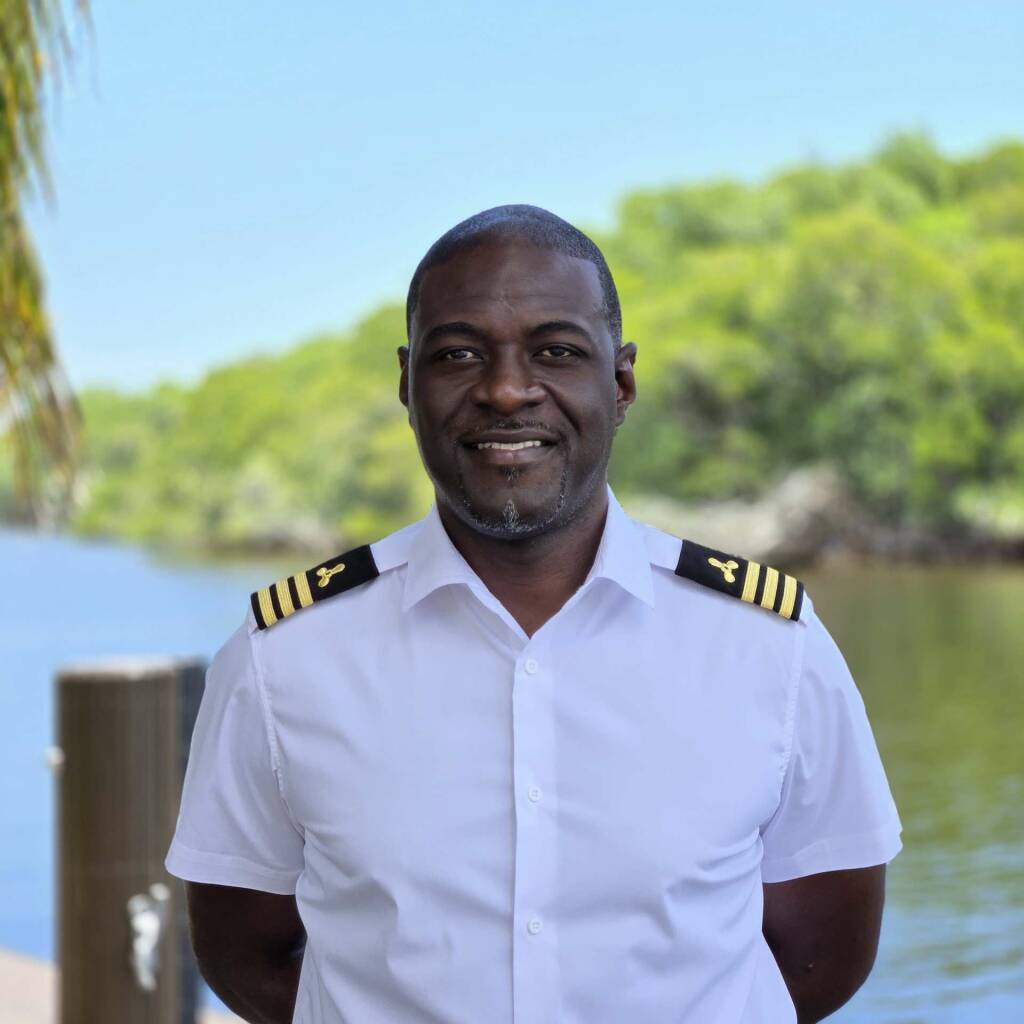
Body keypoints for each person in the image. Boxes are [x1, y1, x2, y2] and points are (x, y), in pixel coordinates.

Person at [165, 205, 903, 1024]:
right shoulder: (285, 659)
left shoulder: (769, 647)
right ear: (407, 384)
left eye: (556, 351)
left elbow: (821, 954)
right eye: (458, 355)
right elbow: (242, 952)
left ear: (620, 384)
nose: (507, 390)